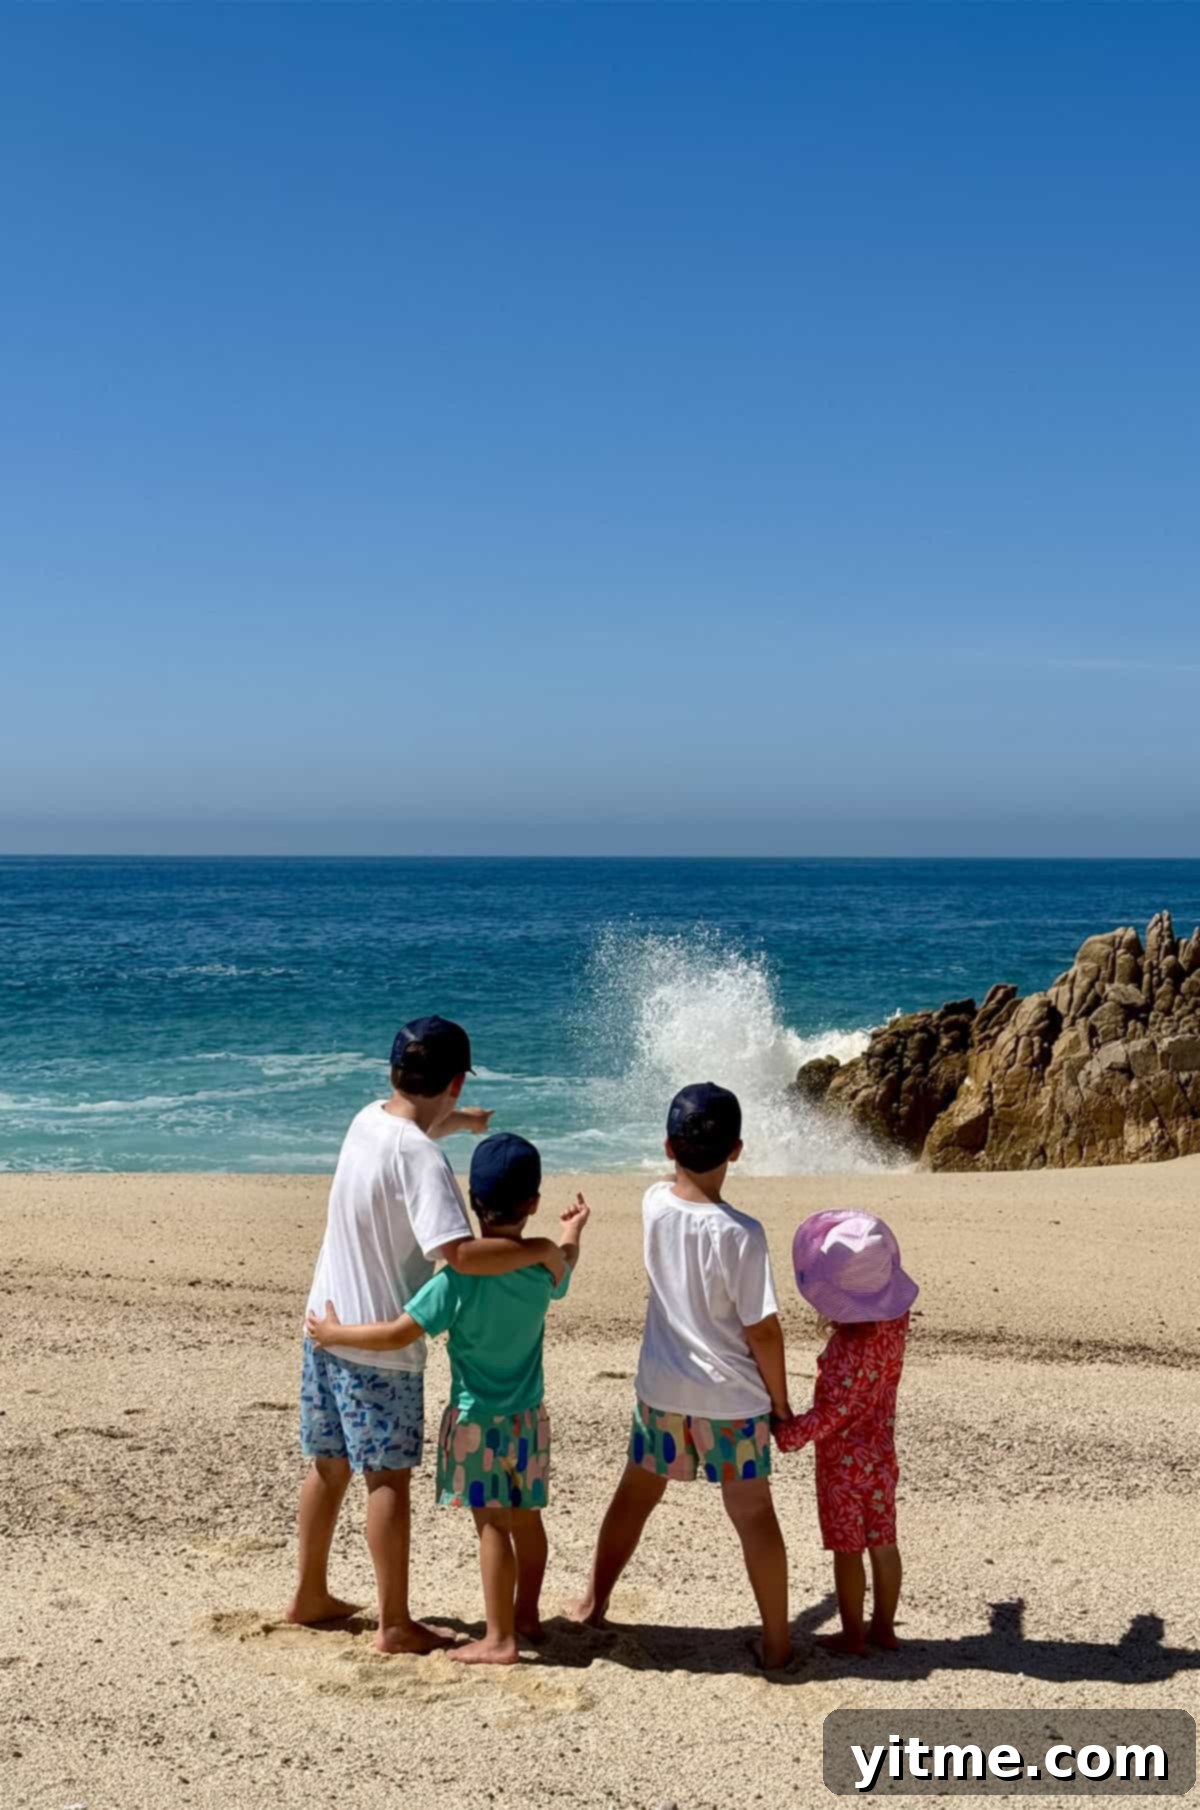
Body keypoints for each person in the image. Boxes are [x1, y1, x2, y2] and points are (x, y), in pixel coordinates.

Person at [289, 1017, 567, 1655]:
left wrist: (462, 1122)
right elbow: (462, 1256)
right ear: (456, 1079)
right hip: (381, 1345)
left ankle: (309, 1593)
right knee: (386, 1480)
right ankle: (394, 1623)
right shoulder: (423, 1158)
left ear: (394, 1074)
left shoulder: (368, 1120)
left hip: (324, 1323)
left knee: (328, 1466)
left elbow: (411, 1130)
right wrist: (542, 1251)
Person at [572, 1083, 793, 1670]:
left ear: (668, 1146)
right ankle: (776, 1643)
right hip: (732, 1398)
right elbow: (763, 1330)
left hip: (663, 1390)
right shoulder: (743, 1233)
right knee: (753, 1515)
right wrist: (782, 1401)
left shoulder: (653, 1203)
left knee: (636, 1496)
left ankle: (594, 1602)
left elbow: (675, 1201)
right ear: (738, 1150)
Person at [773, 1209, 918, 1656]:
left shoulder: (844, 1352)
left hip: (842, 1464)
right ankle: (884, 1627)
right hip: (881, 1451)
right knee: (883, 1541)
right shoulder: (896, 1326)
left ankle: (853, 1634)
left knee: (848, 1549)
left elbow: (833, 1413)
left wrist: (789, 1432)